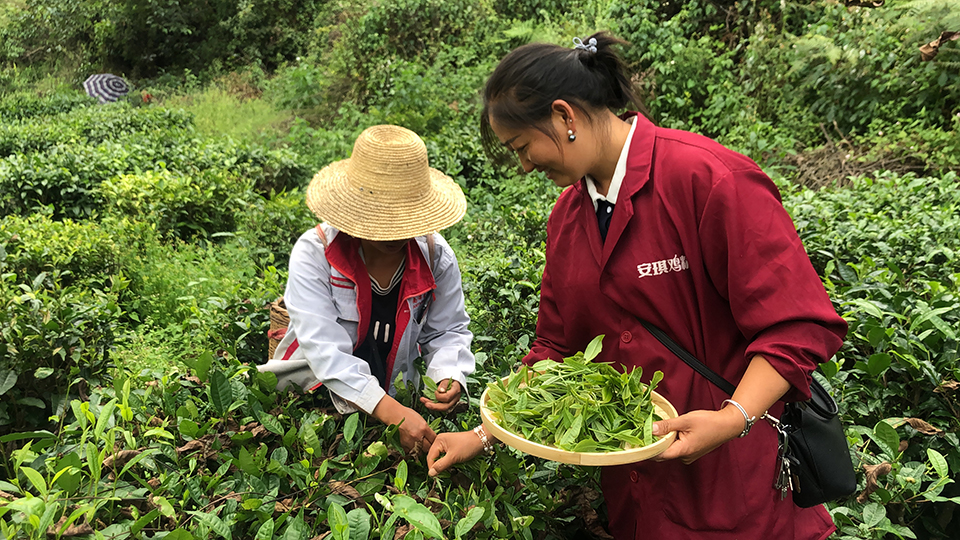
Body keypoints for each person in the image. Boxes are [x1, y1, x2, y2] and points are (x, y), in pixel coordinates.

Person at [426, 33, 847, 539]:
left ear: (564, 116)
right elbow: (557, 348)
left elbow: (797, 324)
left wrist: (733, 418)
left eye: (523, 146)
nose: (525, 165)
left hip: (737, 479)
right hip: (636, 491)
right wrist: (486, 431)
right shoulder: (567, 218)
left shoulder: (708, 179)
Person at [259, 124, 475, 454]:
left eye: (406, 219)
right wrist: (391, 413)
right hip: (314, 395)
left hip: (399, 393)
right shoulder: (315, 253)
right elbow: (324, 352)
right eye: (383, 219)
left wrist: (448, 374)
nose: (395, 233)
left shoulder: (435, 256)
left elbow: (448, 330)